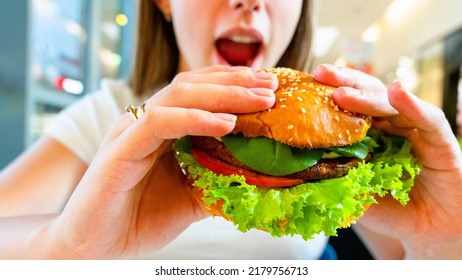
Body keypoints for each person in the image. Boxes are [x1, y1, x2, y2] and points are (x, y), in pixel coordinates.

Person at [0, 0, 461, 260]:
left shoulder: (334, 124)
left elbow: (407, 264)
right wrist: (64, 247)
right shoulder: (109, 116)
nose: (250, 2)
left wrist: (443, 244)